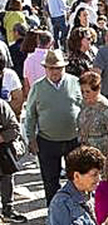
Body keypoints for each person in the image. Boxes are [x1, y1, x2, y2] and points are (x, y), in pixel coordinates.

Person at [23, 49, 82, 204]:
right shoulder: (37, 87)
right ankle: (54, 211)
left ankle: (76, 208)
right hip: (47, 141)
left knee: (76, 179)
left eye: (59, 68)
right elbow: (30, 116)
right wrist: (31, 139)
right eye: (51, 68)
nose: (55, 71)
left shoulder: (75, 82)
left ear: (64, 67)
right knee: (50, 181)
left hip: (73, 140)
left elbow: (84, 108)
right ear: (45, 68)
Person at [76, 70, 108, 155]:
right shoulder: (83, 103)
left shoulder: (105, 107)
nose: (84, 95)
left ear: (97, 90)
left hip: (101, 151)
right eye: (82, 91)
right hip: (84, 149)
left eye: (88, 91)